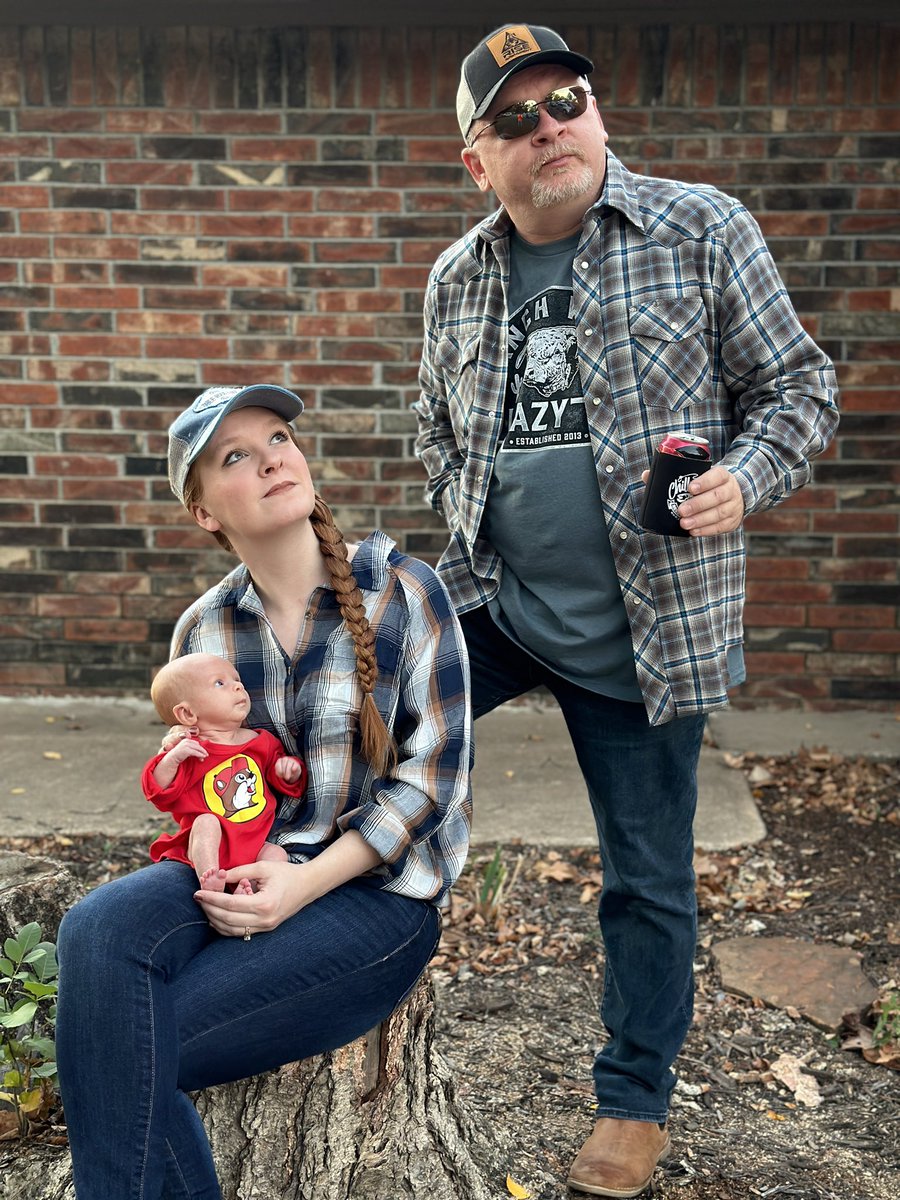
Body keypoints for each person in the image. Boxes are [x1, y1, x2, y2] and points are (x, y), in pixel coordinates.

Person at [414, 24, 839, 1199]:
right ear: (479, 161)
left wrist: (744, 479)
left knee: (646, 878)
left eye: (568, 102)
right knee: (361, 738)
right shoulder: (457, 278)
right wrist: (462, 508)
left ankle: (633, 1100)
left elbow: (799, 387)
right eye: (515, 119)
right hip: (495, 604)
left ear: (596, 115)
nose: (548, 128)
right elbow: (435, 422)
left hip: (648, 634)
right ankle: (320, 977)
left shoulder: (700, 229)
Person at [56, 382, 472, 1199]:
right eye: (236, 456)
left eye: (278, 437)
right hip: (241, 869)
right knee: (95, 928)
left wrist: (302, 882)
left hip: (374, 899)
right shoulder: (203, 632)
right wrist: (185, 782)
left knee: (127, 1046)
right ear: (205, 512)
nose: (272, 459)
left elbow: (435, 780)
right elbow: (211, 793)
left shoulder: (405, 593)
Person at [143, 652, 307, 894]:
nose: (238, 686)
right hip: (210, 845)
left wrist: (287, 770)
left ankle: (249, 888)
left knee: (276, 854)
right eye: (219, 683)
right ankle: (210, 879)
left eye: (236, 680)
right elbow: (158, 791)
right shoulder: (189, 750)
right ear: (188, 714)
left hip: (254, 843)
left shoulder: (260, 741)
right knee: (206, 821)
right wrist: (173, 758)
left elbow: (276, 777)